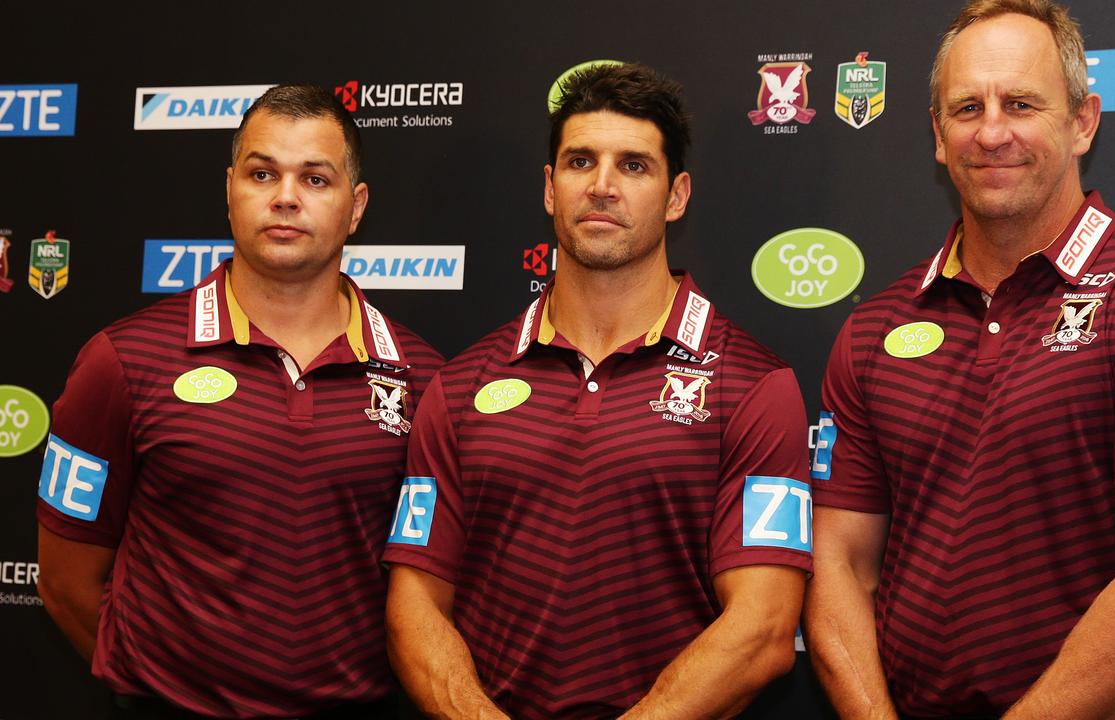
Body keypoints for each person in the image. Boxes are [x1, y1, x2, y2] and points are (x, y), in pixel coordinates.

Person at [804, 2, 1115, 719]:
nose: (991, 132)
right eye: (966, 108)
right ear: (936, 134)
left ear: (1082, 121)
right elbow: (838, 564)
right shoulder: (875, 329)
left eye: (1020, 103)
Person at [382, 63, 812, 719]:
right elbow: (414, 606)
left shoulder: (753, 384)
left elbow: (762, 631)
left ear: (677, 195)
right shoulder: (461, 385)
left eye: (634, 166)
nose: (604, 186)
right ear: (552, 189)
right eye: (581, 162)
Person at [36, 84, 443, 719]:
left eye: (315, 178)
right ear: (230, 190)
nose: (285, 197)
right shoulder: (123, 361)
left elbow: (433, 594)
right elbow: (65, 580)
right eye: (262, 173)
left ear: (355, 206)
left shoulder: (423, 379)